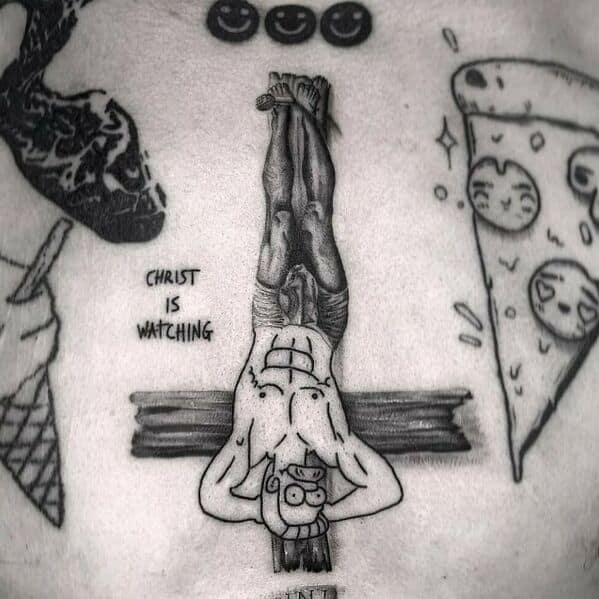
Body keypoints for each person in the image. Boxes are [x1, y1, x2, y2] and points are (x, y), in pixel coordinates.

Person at [199, 80, 403, 540]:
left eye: (297, 498)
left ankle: (281, 115)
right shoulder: (332, 442)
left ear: (273, 489)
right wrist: (327, 514)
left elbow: (213, 498)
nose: (311, 493)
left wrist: (261, 515)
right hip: (326, 326)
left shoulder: (249, 446)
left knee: (279, 221)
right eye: (313, 499)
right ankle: (307, 115)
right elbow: (386, 489)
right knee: (315, 220)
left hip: (269, 320)